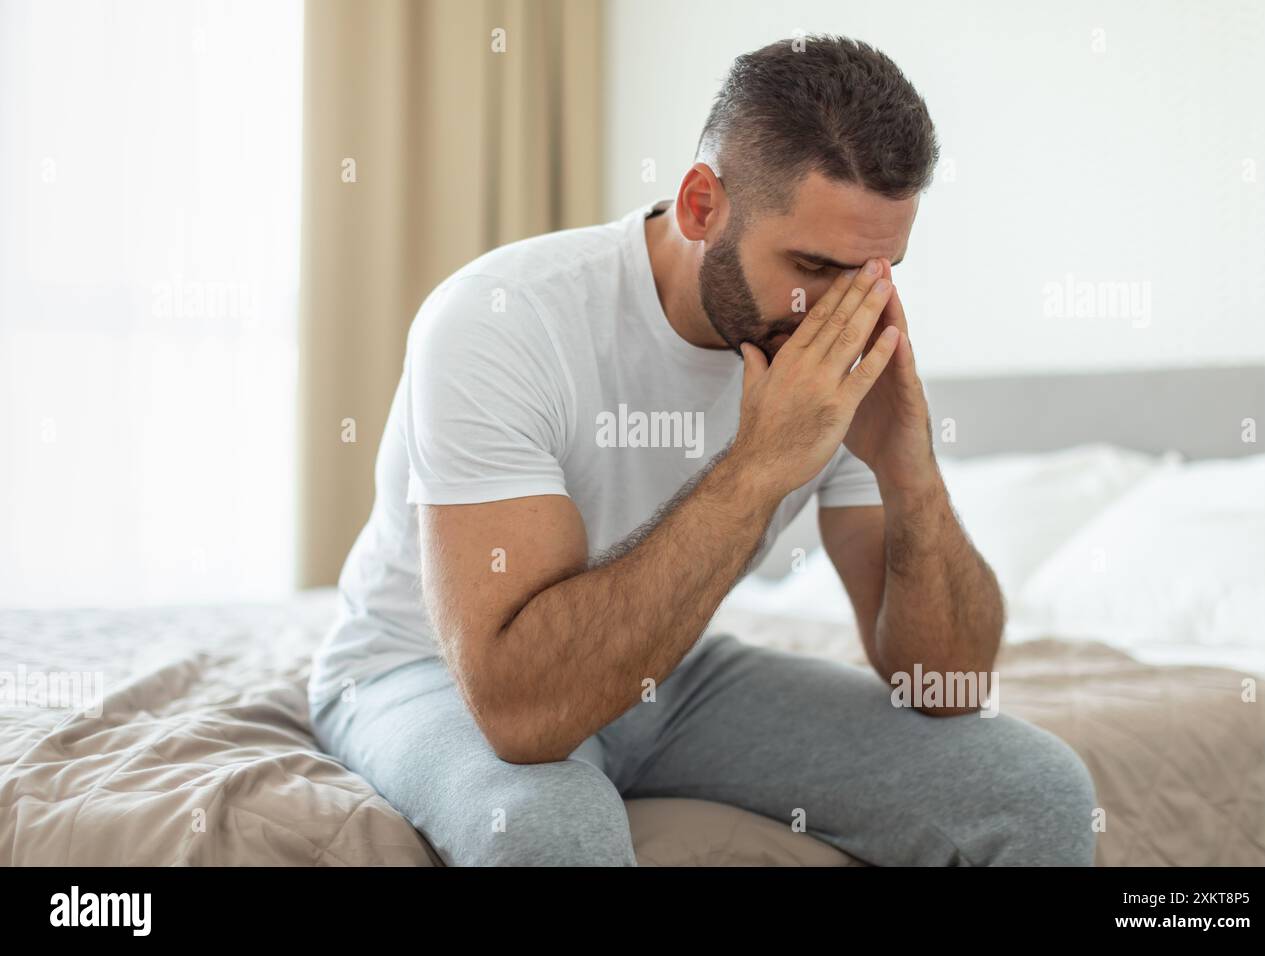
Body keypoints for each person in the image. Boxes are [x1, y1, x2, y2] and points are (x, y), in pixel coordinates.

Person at [307, 34, 1098, 866]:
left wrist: (910, 471)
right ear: (700, 205)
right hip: (426, 673)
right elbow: (522, 712)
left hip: (671, 670)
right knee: (552, 828)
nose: (836, 314)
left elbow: (950, 687)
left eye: (875, 272)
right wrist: (759, 467)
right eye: (811, 265)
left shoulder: (842, 356)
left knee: (1036, 788)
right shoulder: (500, 320)